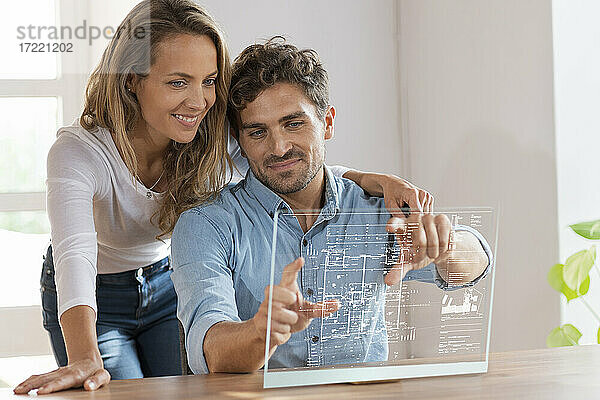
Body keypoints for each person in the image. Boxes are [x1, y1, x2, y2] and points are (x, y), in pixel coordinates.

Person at [15, 1, 434, 395]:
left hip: (165, 282)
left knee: (182, 394)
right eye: (178, 82)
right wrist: (85, 357)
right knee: (111, 392)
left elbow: (286, 161)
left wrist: (373, 180)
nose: (199, 102)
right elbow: (76, 255)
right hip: (95, 295)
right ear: (132, 81)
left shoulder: (207, 135)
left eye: (210, 81)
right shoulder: (78, 153)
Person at [170, 38, 492, 373]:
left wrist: (446, 247)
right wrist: (260, 332)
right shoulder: (206, 225)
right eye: (257, 132)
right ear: (239, 140)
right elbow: (209, 352)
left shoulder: (378, 211)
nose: (278, 148)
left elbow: (477, 264)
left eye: (293, 123)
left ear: (328, 123)